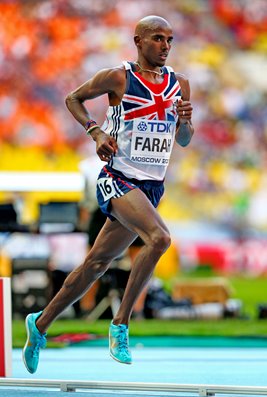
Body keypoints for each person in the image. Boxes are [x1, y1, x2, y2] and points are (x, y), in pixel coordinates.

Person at [22, 15, 194, 373]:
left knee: (96, 264)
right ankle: (120, 324)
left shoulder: (180, 85)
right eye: (158, 39)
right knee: (159, 238)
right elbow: (73, 99)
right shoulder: (119, 77)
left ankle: (39, 325)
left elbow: (184, 139)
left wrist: (187, 122)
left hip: (151, 186)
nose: (165, 46)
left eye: (170, 40)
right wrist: (97, 133)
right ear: (139, 41)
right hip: (117, 177)